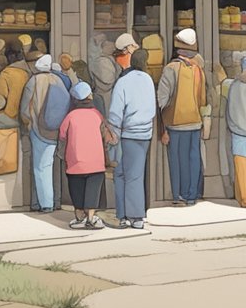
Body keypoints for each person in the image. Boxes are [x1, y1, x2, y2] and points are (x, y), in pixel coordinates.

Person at [156, 28, 210, 207]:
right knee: (193, 158)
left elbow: (162, 99)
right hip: (195, 121)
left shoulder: (171, 68)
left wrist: (161, 124)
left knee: (176, 160)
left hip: (175, 123)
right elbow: (203, 99)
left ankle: (177, 194)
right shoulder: (198, 70)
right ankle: (191, 195)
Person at [107, 35, 155, 230]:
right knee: (134, 174)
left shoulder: (123, 82)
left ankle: (130, 216)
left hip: (127, 134)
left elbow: (115, 112)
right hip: (144, 133)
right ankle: (130, 214)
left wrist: (113, 133)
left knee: (122, 174)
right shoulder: (148, 80)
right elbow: (151, 108)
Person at [19, 53, 67, 213]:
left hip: (38, 129)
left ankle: (45, 203)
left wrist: (26, 123)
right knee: (51, 166)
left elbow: (25, 108)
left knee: (41, 167)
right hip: (56, 129)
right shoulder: (58, 80)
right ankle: (52, 200)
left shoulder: (34, 81)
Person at [60, 81, 106, 229]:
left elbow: (62, 135)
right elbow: (105, 133)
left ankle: (79, 217)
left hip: (75, 162)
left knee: (76, 187)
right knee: (93, 188)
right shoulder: (97, 115)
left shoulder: (70, 116)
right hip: (96, 161)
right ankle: (91, 218)